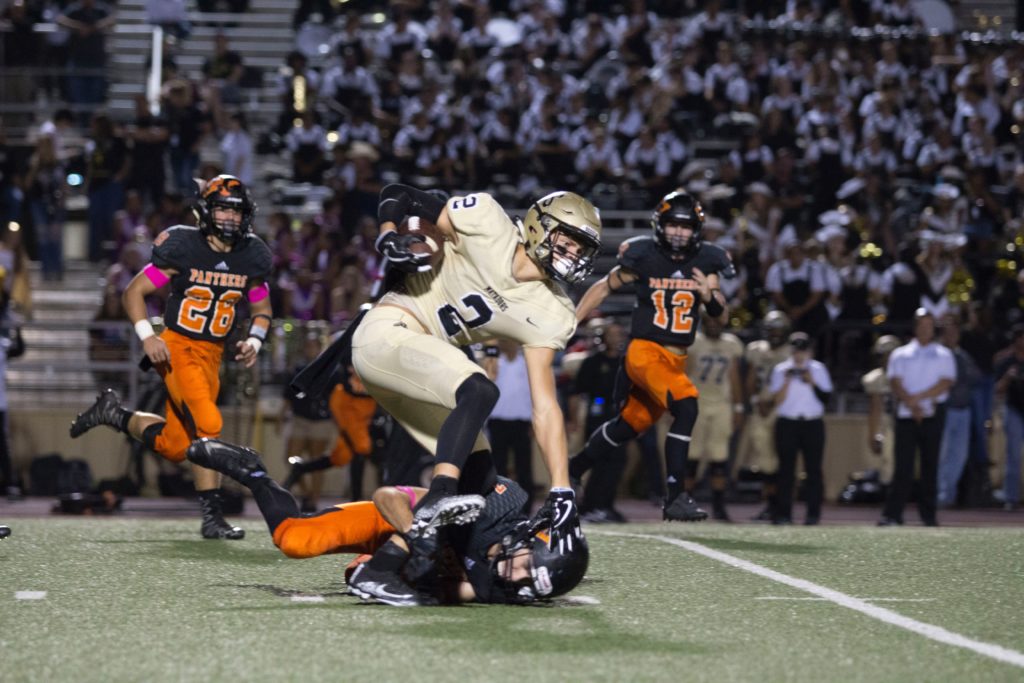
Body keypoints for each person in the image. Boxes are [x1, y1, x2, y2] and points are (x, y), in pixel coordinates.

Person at [347, 184, 601, 570]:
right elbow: (404, 195)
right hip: (390, 328)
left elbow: (545, 405)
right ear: (538, 226)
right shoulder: (486, 219)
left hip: (421, 367)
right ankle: (438, 495)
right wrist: (388, 234)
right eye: (567, 241)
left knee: (482, 482)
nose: (573, 255)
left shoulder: (554, 311)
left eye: (581, 249)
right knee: (480, 389)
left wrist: (562, 488)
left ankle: (385, 566)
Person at [69, 175, 273, 539]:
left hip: (213, 355)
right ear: (206, 212)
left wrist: (255, 341)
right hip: (178, 346)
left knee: (177, 447)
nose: (230, 219)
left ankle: (113, 413)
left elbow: (262, 309)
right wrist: (148, 337)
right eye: (223, 209)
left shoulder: (251, 255)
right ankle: (213, 517)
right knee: (208, 423)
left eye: (236, 212)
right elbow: (134, 292)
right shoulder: (184, 246)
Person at [186, 437, 588, 606]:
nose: (515, 575)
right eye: (525, 566)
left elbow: (453, 591)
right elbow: (387, 498)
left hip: (403, 558)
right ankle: (254, 472)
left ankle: (386, 566)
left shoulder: (501, 586)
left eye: (526, 583)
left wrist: (412, 575)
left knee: (364, 571)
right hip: (402, 519)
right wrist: (420, 536)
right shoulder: (497, 505)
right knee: (295, 541)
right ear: (528, 538)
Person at [570, 190, 735, 521]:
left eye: (686, 226)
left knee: (629, 426)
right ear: (660, 224)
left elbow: (721, 316)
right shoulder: (643, 255)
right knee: (686, 406)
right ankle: (674, 495)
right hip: (645, 351)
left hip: (675, 358)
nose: (678, 232)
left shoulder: (707, 261)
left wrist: (709, 296)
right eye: (673, 224)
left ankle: (574, 468)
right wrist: (573, 320)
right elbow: (604, 286)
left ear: (696, 230)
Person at [879, 309, 956, 526]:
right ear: (915, 327)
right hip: (905, 415)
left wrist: (918, 399)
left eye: (929, 325)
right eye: (922, 325)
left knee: (930, 466)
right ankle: (893, 515)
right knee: (902, 467)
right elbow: (895, 381)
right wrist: (911, 403)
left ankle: (929, 517)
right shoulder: (900, 354)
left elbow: (946, 382)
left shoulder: (943, 354)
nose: (925, 329)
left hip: (932, 414)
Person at [768, 332, 833, 525]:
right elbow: (777, 400)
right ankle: (784, 514)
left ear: (809, 351)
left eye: (803, 350)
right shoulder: (781, 370)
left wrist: (811, 381)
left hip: (813, 423)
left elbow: (826, 398)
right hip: (788, 422)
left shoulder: (818, 369)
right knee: (786, 470)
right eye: (796, 350)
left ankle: (813, 515)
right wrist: (788, 381)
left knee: (813, 470)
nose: (799, 355)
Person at [567, 321, 630, 523]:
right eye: (612, 334)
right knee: (599, 461)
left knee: (618, 462)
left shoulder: (626, 362)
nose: (616, 338)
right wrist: (574, 419)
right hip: (598, 416)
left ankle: (607, 505)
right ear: (602, 337)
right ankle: (591, 506)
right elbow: (576, 392)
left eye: (618, 334)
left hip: (620, 417)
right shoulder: (593, 362)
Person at [686, 312, 744, 521]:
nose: (713, 325)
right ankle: (687, 502)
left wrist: (738, 407)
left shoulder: (731, 344)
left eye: (716, 321)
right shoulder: (695, 342)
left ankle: (718, 506)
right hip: (698, 402)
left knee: (719, 458)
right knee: (691, 457)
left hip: (721, 404)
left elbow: (734, 376)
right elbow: (684, 372)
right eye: (709, 321)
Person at [741, 310, 792, 520]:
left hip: (783, 410)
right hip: (759, 409)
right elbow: (751, 378)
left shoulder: (791, 351)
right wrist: (754, 401)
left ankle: (782, 507)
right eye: (772, 330)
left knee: (783, 460)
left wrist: (772, 403)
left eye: (779, 330)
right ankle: (771, 506)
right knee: (765, 461)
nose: (775, 334)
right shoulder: (756, 350)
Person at [936, 316, 981, 507]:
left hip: (963, 410)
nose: (952, 335)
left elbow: (976, 377)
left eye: (955, 331)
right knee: (941, 455)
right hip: (945, 410)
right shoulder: (937, 354)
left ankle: (948, 495)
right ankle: (938, 495)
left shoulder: (963, 355)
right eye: (948, 332)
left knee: (959, 456)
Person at [485, 339, 535, 506]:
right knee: (499, 467)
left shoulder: (528, 364)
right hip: (498, 423)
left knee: (524, 467)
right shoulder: (495, 364)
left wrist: (534, 422)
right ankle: (501, 504)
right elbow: (487, 381)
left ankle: (526, 506)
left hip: (522, 424)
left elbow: (533, 395)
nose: (507, 344)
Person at [862, 335, 901, 488]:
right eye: (883, 356)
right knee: (889, 458)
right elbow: (875, 408)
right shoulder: (875, 378)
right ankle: (888, 490)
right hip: (889, 422)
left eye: (890, 355)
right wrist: (872, 434)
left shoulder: (907, 374)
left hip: (908, 420)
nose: (887, 360)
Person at [994, 325, 1024, 511]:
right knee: (1013, 455)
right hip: (1013, 409)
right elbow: (997, 389)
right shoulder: (1007, 361)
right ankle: (1011, 497)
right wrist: (1008, 377)